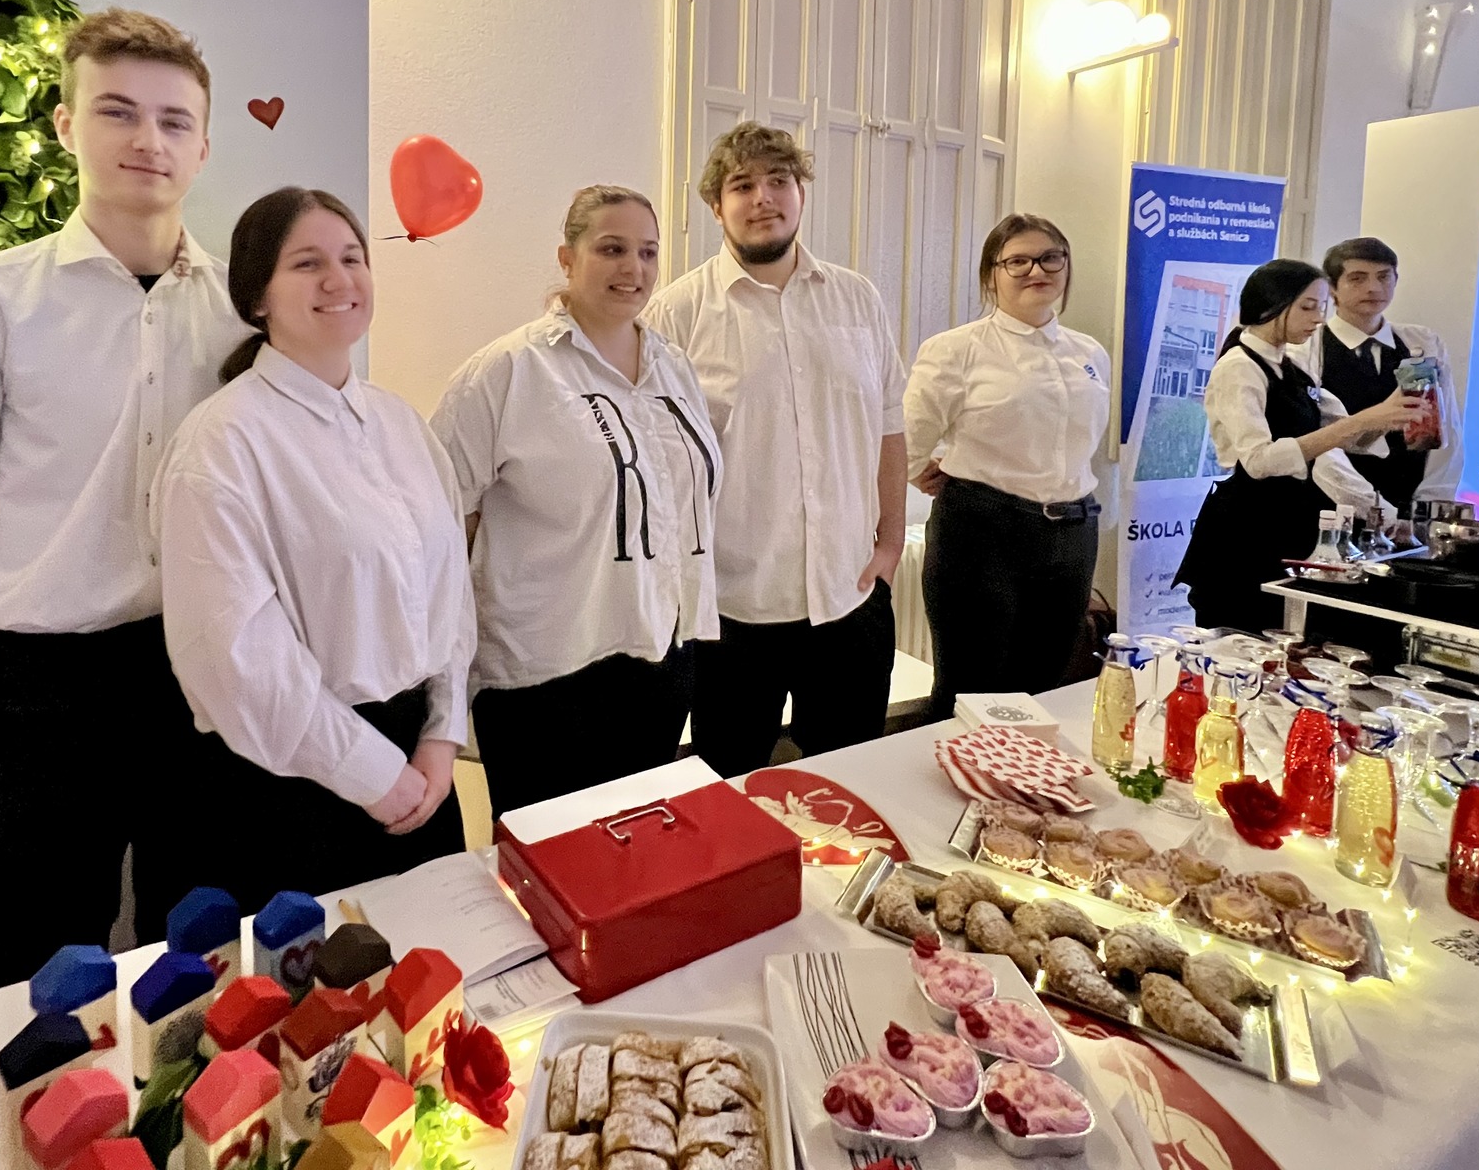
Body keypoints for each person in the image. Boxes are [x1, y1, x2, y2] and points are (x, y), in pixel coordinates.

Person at [0, 8, 246, 988]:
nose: (148, 140)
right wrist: (17, 654)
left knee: (205, 946)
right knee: (43, 958)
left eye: (174, 120)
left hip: (208, 669)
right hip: (50, 683)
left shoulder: (243, 312)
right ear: (65, 125)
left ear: (203, 144)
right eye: (117, 111)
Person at [156, 189, 470, 905]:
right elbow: (238, 657)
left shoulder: (400, 424)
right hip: (294, 790)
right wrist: (376, 777)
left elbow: (449, 591)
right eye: (307, 263)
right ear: (256, 296)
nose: (339, 279)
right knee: (317, 979)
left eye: (352, 259)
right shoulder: (222, 443)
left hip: (420, 767)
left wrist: (443, 733)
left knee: (441, 966)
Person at [432, 186, 720, 816]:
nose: (633, 268)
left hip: (662, 655)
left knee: (638, 846)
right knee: (551, 862)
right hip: (547, 673)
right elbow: (442, 522)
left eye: (647, 252)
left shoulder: (674, 366)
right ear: (567, 258)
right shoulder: (508, 371)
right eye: (611, 249)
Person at [644, 123, 905, 778]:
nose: (763, 197)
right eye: (742, 185)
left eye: (779, 181)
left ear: (801, 193)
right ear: (717, 206)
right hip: (733, 614)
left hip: (850, 600)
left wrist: (892, 543)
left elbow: (888, 426)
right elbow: (658, 467)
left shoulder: (857, 299)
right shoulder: (677, 315)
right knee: (729, 790)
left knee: (851, 787)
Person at [904, 214, 1110, 709]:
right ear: (990, 275)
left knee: (1044, 686)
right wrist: (920, 471)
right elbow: (906, 440)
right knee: (970, 689)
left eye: (1050, 258)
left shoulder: (1089, 352)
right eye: (1017, 261)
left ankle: (1027, 763)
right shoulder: (956, 350)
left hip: (1073, 533)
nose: (1036, 270)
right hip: (982, 535)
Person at [1175, 259, 1423, 633]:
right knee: (1242, 635)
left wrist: (1388, 416)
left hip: (1292, 523)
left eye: (1321, 307)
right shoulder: (1238, 367)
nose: (1319, 319)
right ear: (1271, 306)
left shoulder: (1291, 367)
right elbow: (1258, 460)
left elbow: (1340, 437)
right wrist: (1361, 421)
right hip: (1247, 527)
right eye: (1308, 307)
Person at [1295, 236, 1464, 515]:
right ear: (1332, 287)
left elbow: (1447, 431)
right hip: (1327, 505)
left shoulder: (1422, 342)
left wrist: (1431, 505)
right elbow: (1318, 443)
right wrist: (1375, 510)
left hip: (1408, 503)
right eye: (1357, 279)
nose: (1373, 288)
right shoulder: (1307, 349)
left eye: (1384, 277)